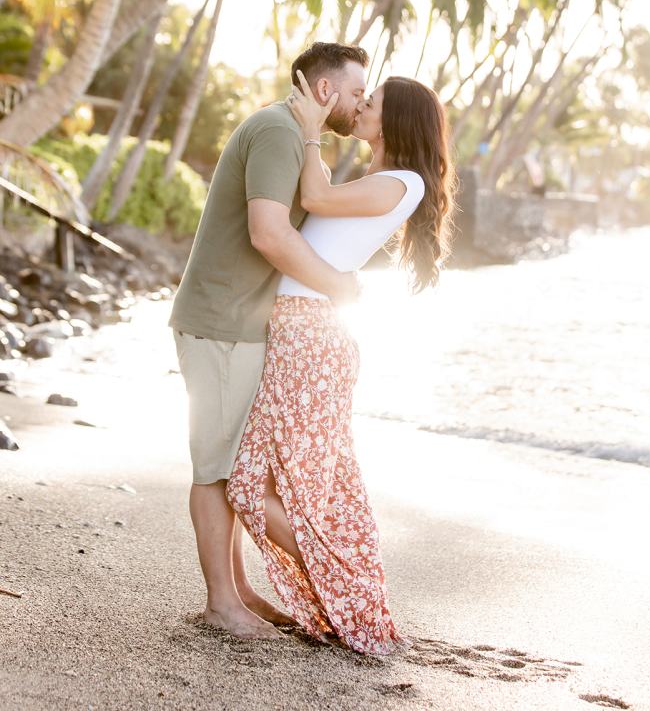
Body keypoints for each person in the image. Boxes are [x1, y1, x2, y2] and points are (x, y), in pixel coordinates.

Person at [227, 70, 455, 655]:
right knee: (273, 481)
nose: (359, 109)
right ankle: (341, 585)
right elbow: (322, 203)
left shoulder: (403, 182)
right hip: (301, 331)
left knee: (259, 487)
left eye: (370, 103)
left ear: (395, 118)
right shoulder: (380, 178)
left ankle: (344, 583)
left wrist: (307, 131)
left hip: (311, 338)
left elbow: (315, 199)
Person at [169, 42, 369, 639]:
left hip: (241, 325)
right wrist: (339, 288)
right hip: (221, 323)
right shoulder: (278, 131)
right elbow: (269, 234)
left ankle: (239, 593)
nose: (361, 105)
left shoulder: (292, 134)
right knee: (218, 466)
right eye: (357, 92)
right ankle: (222, 605)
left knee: (230, 461)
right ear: (325, 90)